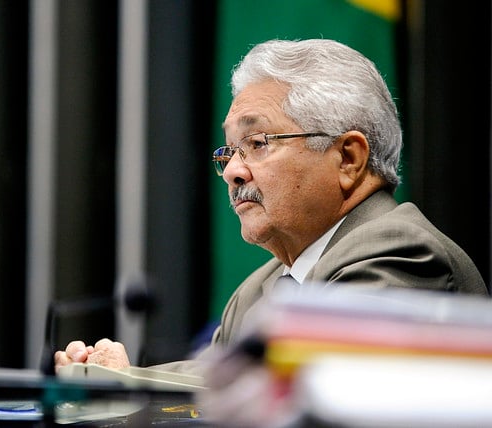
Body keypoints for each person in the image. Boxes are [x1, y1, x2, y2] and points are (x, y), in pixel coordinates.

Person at [54, 38, 489, 377]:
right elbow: (209, 381)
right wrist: (119, 383)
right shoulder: (260, 289)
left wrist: (131, 388)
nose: (232, 172)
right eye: (229, 151)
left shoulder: (399, 252)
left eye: (258, 144)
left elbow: (295, 387)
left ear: (349, 159)